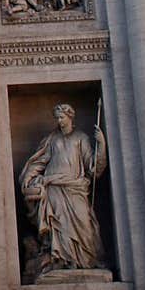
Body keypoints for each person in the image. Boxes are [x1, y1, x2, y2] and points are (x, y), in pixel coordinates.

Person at [18, 103, 106, 271]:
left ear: (70, 117)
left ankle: (83, 261)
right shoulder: (52, 139)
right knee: (58, 226)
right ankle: (61, 261)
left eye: (61, 117)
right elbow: (39, 161)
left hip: (75, 188)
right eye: (57, 118)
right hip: (54, 188)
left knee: (84, 225)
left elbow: (93, 167)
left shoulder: (81, 138)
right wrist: (29, 178)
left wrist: (101, 145)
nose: (59, 121)